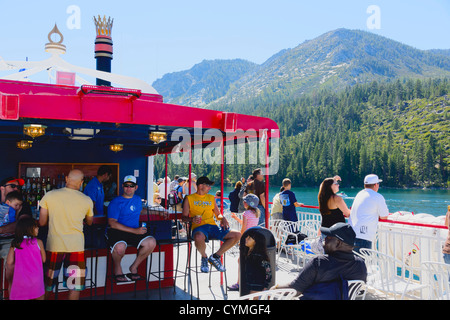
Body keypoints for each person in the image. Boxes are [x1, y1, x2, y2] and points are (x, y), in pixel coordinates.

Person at [271, 222, 367, 299]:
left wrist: (274, 288)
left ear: (338, 243)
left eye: (328, 237)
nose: (323, 240)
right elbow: (359, 290)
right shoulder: (361, 264)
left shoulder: (319, 263)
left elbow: (295, 290)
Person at [39, 169, 94, 300]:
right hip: (76, 248)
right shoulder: (86, 200)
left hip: (54, 246)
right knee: (74, 285)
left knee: (47, 284)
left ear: (66, 179)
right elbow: (90, 222)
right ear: (81, 183)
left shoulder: (50, 195)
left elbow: (41, 222)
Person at [182, 176, 240, 273]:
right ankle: (204, 257)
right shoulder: (189, 198)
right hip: (199, 228)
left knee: (237, 234)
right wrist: (192, 219)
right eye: (208, 185)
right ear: (201, 186)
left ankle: (215, 257)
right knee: (198, 237)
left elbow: (218, 214)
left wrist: (223, 218)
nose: (210, 188)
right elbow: (183, 217)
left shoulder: (211, 198)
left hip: (213, 227)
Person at [106, 175, 157, 283]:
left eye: (131, 186)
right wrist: (135, 231)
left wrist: (159, 212)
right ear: (122, 186)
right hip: (118, 231)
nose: (129, 188)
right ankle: (118, 269)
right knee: (120, 248)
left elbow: (141, 211)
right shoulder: (116, 202)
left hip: (134, 231)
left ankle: (133, 267)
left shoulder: (137, 199)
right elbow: (112, 223)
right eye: (126, 186)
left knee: (151, 242)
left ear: (136, 187)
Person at [6, 216, 46, 300]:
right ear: (29, 229)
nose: (38, 228)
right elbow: (44, 259)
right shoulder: (38, 242)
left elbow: (9, 262)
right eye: (35, 226)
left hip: (20, 283)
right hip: (36, 282)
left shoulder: (15, 244)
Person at [228, 193, 261, 291]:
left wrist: (240, 239)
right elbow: (249, 224)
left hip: (247, 239)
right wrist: (236, 218)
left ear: (248, 203)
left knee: (241, 260)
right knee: (246, 260)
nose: (243, 202)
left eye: (245, 201)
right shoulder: (256, 213)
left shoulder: (245, 213)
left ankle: (240, 283)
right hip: (254, 239)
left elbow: (244, 228)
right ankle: (249, 280)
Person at [349, 174, 389, 253]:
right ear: (375, 185)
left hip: (351, 235)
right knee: (362, 263)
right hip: (364, 237)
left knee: (353, 263)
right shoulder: (377, 196)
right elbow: (384, 216)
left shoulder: (359, 194)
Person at [240, 228, 272, 296]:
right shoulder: (250, 254)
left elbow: (268, 273)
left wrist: (265, 286)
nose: (246, 239)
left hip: (256, 286)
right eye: (247, 237)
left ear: (255, 242)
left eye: (249, 238)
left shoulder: (259, 257)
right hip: (251, 284)